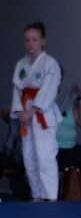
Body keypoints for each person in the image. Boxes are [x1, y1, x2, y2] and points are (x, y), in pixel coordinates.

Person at [11, 22, 62, 201]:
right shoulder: (21, 64)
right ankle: (37, 195)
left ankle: (50, 197)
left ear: (43, 41)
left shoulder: (50, 63)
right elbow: (17, 91)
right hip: (26, 116)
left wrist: (33, 110)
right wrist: (20, 112)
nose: (30, 44)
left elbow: (49, 89)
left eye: (34, 39)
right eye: (27, 40)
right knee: (29, 157)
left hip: (43, 116)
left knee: (45, 156)